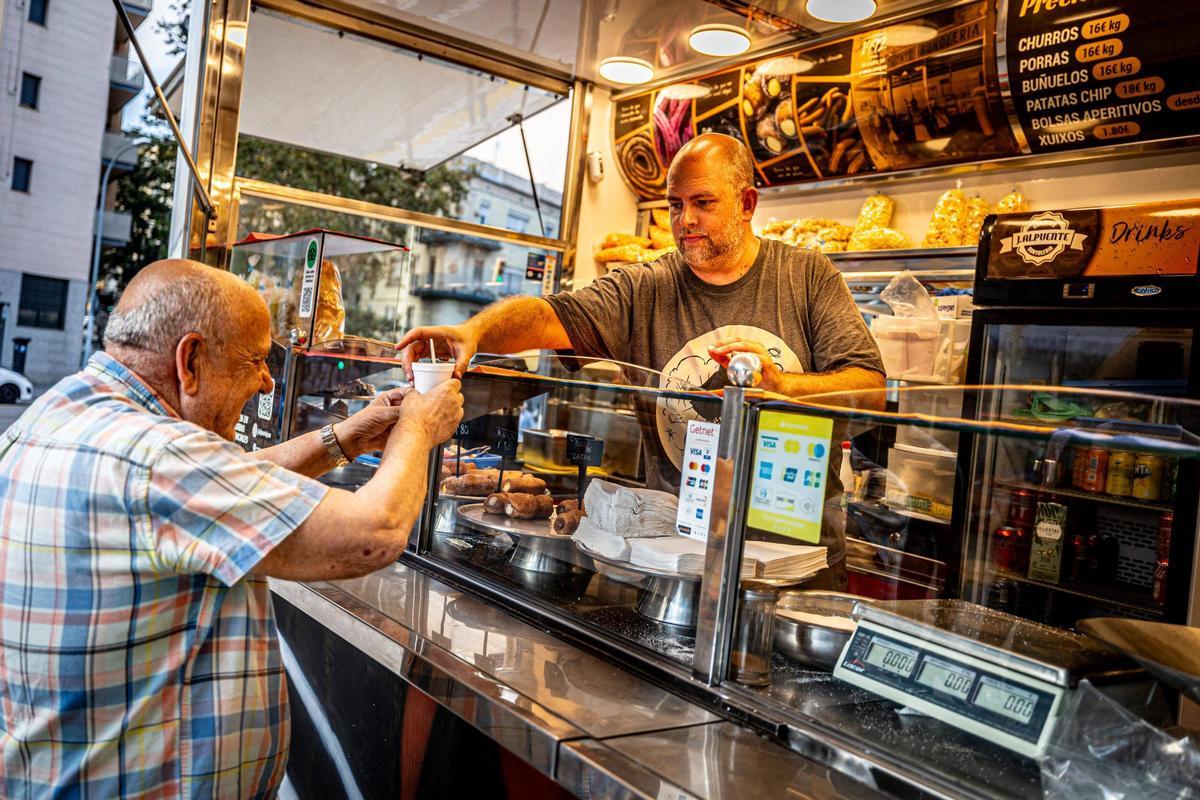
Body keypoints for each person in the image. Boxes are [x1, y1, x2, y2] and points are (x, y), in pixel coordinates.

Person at [0, 260, 463, 798]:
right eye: (256, 360)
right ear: (191, 359)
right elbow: (374, 532)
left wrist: (346, 439)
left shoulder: (58, 417)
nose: (268, 379)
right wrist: (419, 429)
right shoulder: (156, 457)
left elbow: (223, 485)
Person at [396, 133, 884, 585]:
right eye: (675, 205)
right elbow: (549, 316)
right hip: (677, 557)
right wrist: (473, 331)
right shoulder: (644, 287)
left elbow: (872, 391)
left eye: (703, 203)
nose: (685, 220)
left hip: (797, 562)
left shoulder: (805, 276)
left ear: (747, 204)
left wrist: (781, 386)